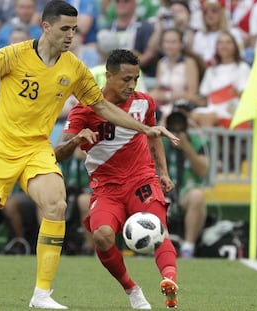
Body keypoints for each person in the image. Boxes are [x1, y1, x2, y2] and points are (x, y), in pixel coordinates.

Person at [0, 1, 178, 310]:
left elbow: (102, 107)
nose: (70, 35)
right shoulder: (13, 55)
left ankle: (42, 294)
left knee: (56, 204)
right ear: (45, 26)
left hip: (37, 149)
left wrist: (145, 129)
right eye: (64, 28)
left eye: (74, 30)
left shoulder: (74, 67)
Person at [55, 49, 179, 309]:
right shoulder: (85, 110)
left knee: (157, 226)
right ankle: (131, 289)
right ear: (108, 76)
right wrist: (77, 139)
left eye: (135, 78)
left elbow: (153, 135)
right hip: (106, 188)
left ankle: (170, 280)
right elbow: (58, 153)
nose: (131, 85)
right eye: (125, 79)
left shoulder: (144, 102)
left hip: (141, 180)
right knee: (101, 236)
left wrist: (163, 172)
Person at [163, 108, 210, 258]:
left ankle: (188, 247)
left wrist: (186, 147)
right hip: (162, 190)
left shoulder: (198, 142)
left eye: (180, 120)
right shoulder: (161, 141)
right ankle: (158, 245)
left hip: (185, 192)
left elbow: (202, 170)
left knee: (197, 196)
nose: (177, 125)